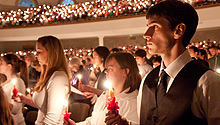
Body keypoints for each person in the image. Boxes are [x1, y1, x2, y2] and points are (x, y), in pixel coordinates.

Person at [106, 1, 220, 124]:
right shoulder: (147, 80)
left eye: (155, 27)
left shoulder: (207, 82)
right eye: (147, 27)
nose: (146, 34)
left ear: (178, 30)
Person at [64, 52, 141, 125]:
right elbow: (93, 121)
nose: (106, 71)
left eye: (110, 68)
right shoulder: (105, 95)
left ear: (125, 71)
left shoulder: (133, 102)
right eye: (106, 68)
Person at [14, 36, 71, 124]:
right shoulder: (49, 75)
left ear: (52, 53)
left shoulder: (58, 78)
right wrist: (24, 99)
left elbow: (52, 119)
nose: (36, 55)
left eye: (39, 52)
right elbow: (45, 105)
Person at [0, 54, 28, 125]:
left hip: (15, 122)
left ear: (9, 66)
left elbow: (16, 109)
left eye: (1, 63)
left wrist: (2, 103)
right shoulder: (5, 82)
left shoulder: (18, 82)